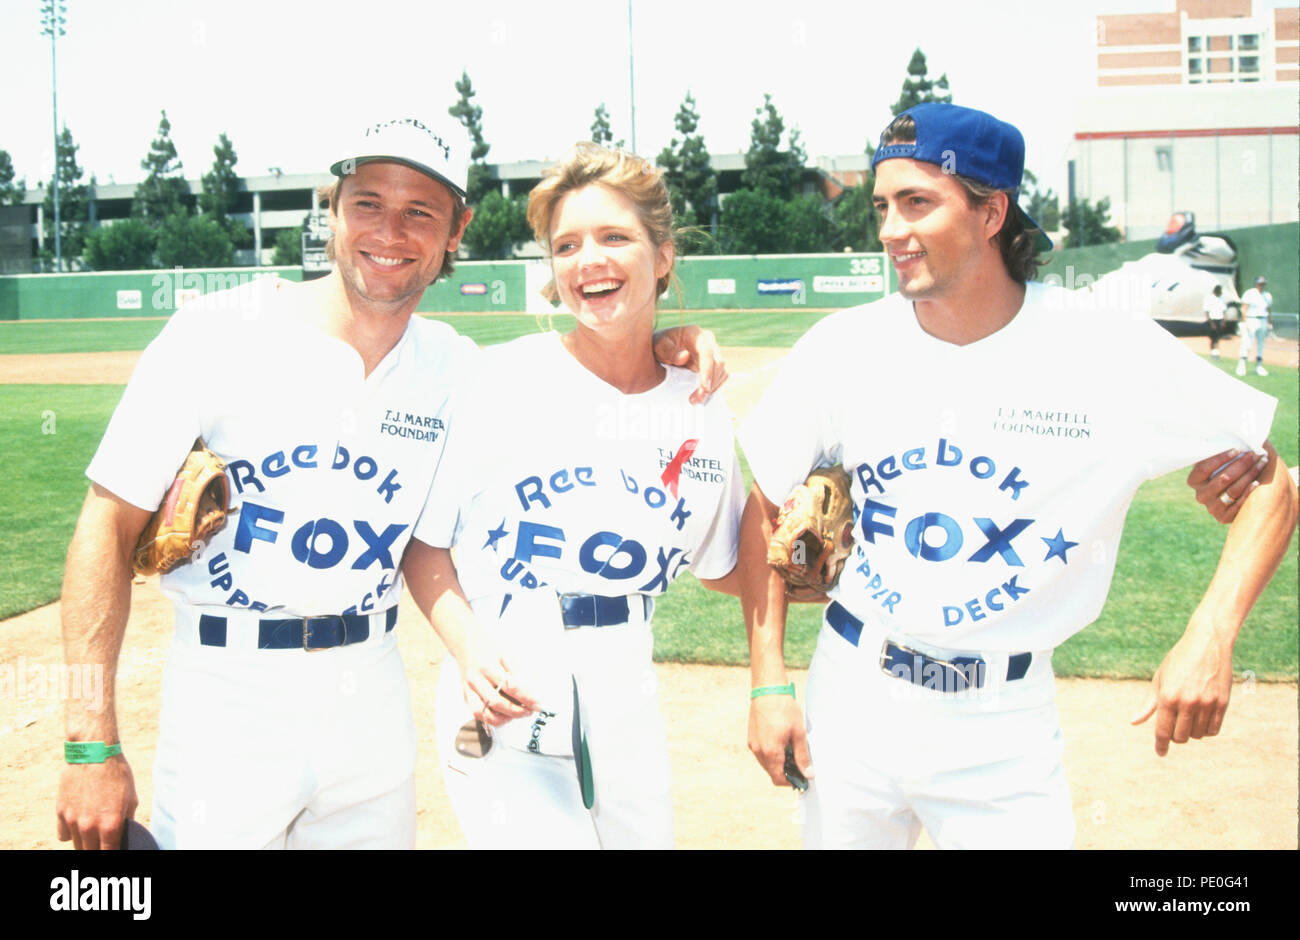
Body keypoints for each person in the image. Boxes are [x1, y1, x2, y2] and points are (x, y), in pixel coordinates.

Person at [54, 118, 727, 850]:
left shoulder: (456, 369)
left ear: (454, 232)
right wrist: (90, 741)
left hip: (369, 702)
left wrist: (667, 343)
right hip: (226, 695)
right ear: (333, 211)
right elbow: (104, 523)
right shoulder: (216, 334)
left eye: (419, 212)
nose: (390, 232)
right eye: (368, 202)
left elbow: (587, 369)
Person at [737, 102, 1297, 850]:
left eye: (917, 202)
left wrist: (1211, 634)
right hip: (852, 693)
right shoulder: (845, 346)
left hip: (1003, 722)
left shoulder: (1106, 350)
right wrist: (769, 681)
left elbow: (1272, 482)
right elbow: (763, 503)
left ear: (992, 211)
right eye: (881, 205)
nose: (890, 230)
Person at [402, 142, 744, 849]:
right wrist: (470, 653)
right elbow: (425, 544)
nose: (590, 259)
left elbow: (728, 566)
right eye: (567, 244)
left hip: (629, 694)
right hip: (503, 692)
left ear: (664, 254)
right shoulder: (498, 381)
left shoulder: (698, 401)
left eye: (615, 236)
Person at [1236, 275, 1273, 377]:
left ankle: (1259, 366)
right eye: (1260, 283)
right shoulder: (1249, 293)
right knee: (1247, 343)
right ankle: (1242, 365)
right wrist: (1245, 322)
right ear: (1256, 283)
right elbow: (1244, 309)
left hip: (1263, 320)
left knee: (1261, 344)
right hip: (1251, 319)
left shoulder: (1267, 296)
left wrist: (1270, 322)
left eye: (1263, 283)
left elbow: (1268, 310)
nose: (1261, 285)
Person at [1203, 284, 1229, 358]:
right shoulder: (1209, 299)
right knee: (1212, 337)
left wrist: (1224, 321)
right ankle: (1213, 352)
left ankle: (1216, 353)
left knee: (1218, 337)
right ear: (1215, 290)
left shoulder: (1222, 299)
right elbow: (1207, 312)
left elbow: (1224, 311)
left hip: (1219, 320)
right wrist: (1211, 323)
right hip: (1212, 320)